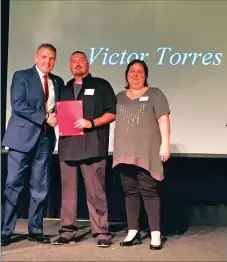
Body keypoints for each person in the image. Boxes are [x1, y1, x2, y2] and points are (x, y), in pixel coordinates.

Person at [1, 44, 64, 246]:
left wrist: (59, 118)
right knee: (13, 186)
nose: (48, 61)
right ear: (36, 57)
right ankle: (5, 231)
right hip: (21, 139)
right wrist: (45, 116)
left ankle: (35, 230)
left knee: (40, 187)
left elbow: (60, 109)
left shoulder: (58, 81)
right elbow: (18, 104)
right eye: (44, 57)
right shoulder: (21, 76)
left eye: (52, 58)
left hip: (45, 141)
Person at [53, 51, 117, 247]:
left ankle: (101, 233)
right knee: (68, 194)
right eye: (73, 61)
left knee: (96, 192)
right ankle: (67, 231)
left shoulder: (101, 85)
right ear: (70, 66)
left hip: (92, 146)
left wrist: (92, 122)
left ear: (88, 63)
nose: (77, 64)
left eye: (81, 60)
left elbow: (113, 113)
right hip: (68, 147)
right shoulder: (64, 89)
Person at [113, 59, 171, 250]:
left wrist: (165, 144)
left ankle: (155, 234)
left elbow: (163, 119)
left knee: (149, 191)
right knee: (130, 192)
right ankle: (132, 231)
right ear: (126, 74)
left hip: (146, 152)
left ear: (146, 75)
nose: (135, 74)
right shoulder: (120, 96)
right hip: (124, 152)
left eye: (139, 71)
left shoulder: (155, 94)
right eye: (132, 71)